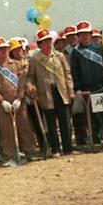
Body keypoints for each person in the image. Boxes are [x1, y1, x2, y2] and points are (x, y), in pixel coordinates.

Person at [0, 37, 38, 166]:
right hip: (3, 105)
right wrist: (2, 101)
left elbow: (22, 83)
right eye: (0, 49)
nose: (3, 51)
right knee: (7, 130)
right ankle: (10, 155)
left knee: (24, 127)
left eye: (5, 49)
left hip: (19, 102)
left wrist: (20, 98)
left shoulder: (16, 64)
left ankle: (29, 152)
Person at [70, 21, 103, 149]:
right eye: (82, 34)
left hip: (102, 85)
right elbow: (75, 72)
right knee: (91, 117)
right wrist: (78, 89)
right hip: (87, 89)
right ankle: (96, 140)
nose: (85, 36)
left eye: (87, 34)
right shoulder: (75, 53)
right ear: (78, 36)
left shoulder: (99, 47)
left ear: (90, 34)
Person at [28, 28, 75, 156]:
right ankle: (55, 149)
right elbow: (30, 77)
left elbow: (67, 74)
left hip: (61, 91)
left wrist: (70, 91)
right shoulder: (35, 59)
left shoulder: (59, 56)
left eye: (49, 40)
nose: (48, 44)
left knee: (65, 122)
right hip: (46, 93)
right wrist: (30, 86)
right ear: (39, 44)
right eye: (44, 41)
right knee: (51, 124)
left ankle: (68, 148)